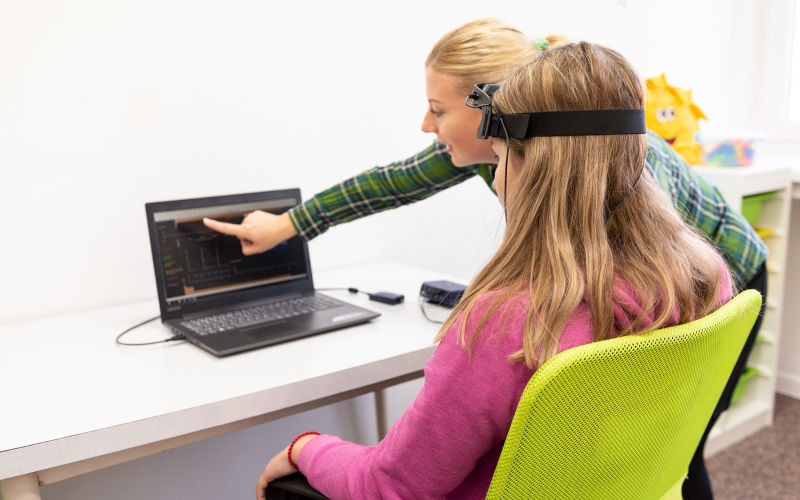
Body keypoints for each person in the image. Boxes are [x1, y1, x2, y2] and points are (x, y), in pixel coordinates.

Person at [208, 20, 767, 500]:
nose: (428, 128)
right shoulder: (697, 274)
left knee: (680, 455)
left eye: (437, 110)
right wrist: (289, 225)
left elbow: (393, 485)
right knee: (643, 453)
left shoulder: (508, 323)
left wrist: (306, 446)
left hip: (735, 257)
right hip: (697, 283)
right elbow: (391, 183)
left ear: (496, 116)